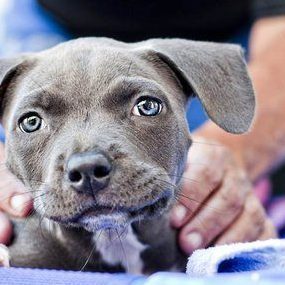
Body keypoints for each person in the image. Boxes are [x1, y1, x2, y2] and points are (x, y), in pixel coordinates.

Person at [0, 0, 284, 254]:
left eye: (145, 107)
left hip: (238, 32)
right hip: (43, 19)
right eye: (32, 122)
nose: (86, 166)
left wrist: (236, 151)